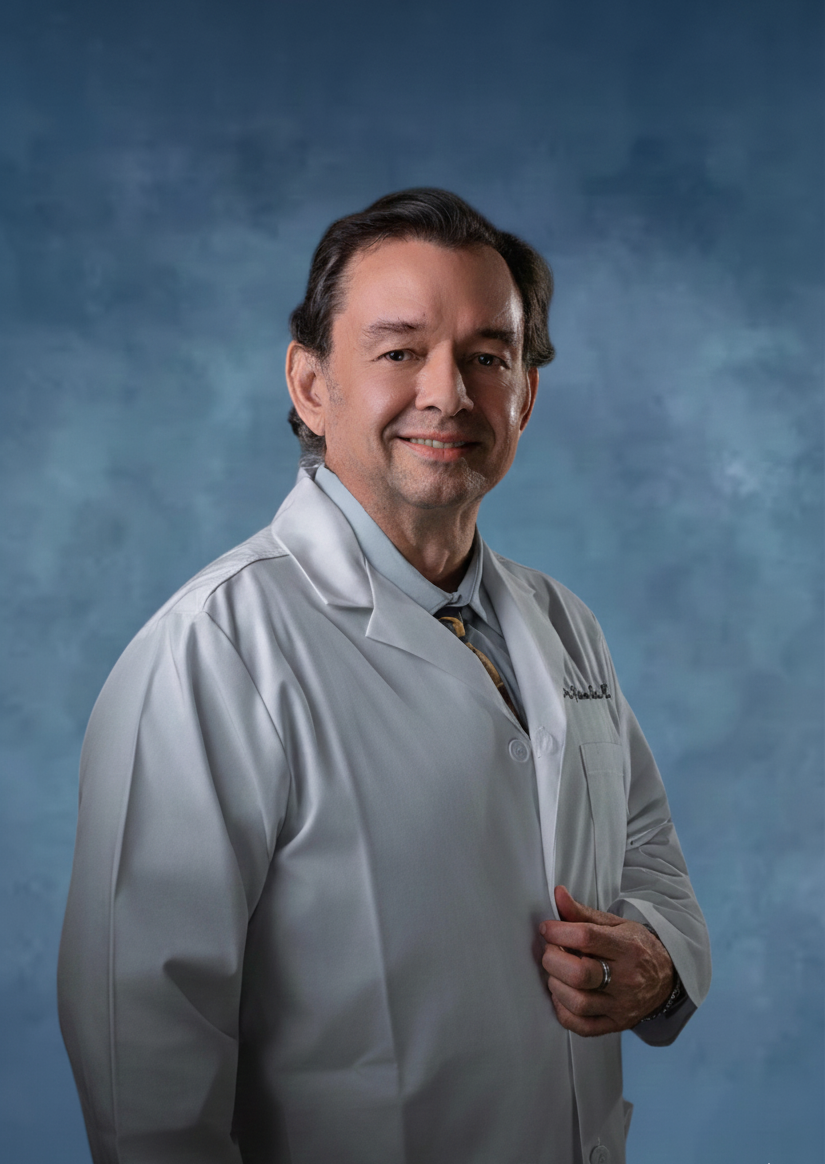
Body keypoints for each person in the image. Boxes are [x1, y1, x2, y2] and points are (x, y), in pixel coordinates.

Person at [58, 188, 711, 1164]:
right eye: (400, 352)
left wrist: (656, 958)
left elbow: (646, 849)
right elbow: (142, 1051)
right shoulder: (214, 650)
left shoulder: (564, 626)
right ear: (311, 384)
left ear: (525, 395)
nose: (448, 394)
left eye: (488, 356)